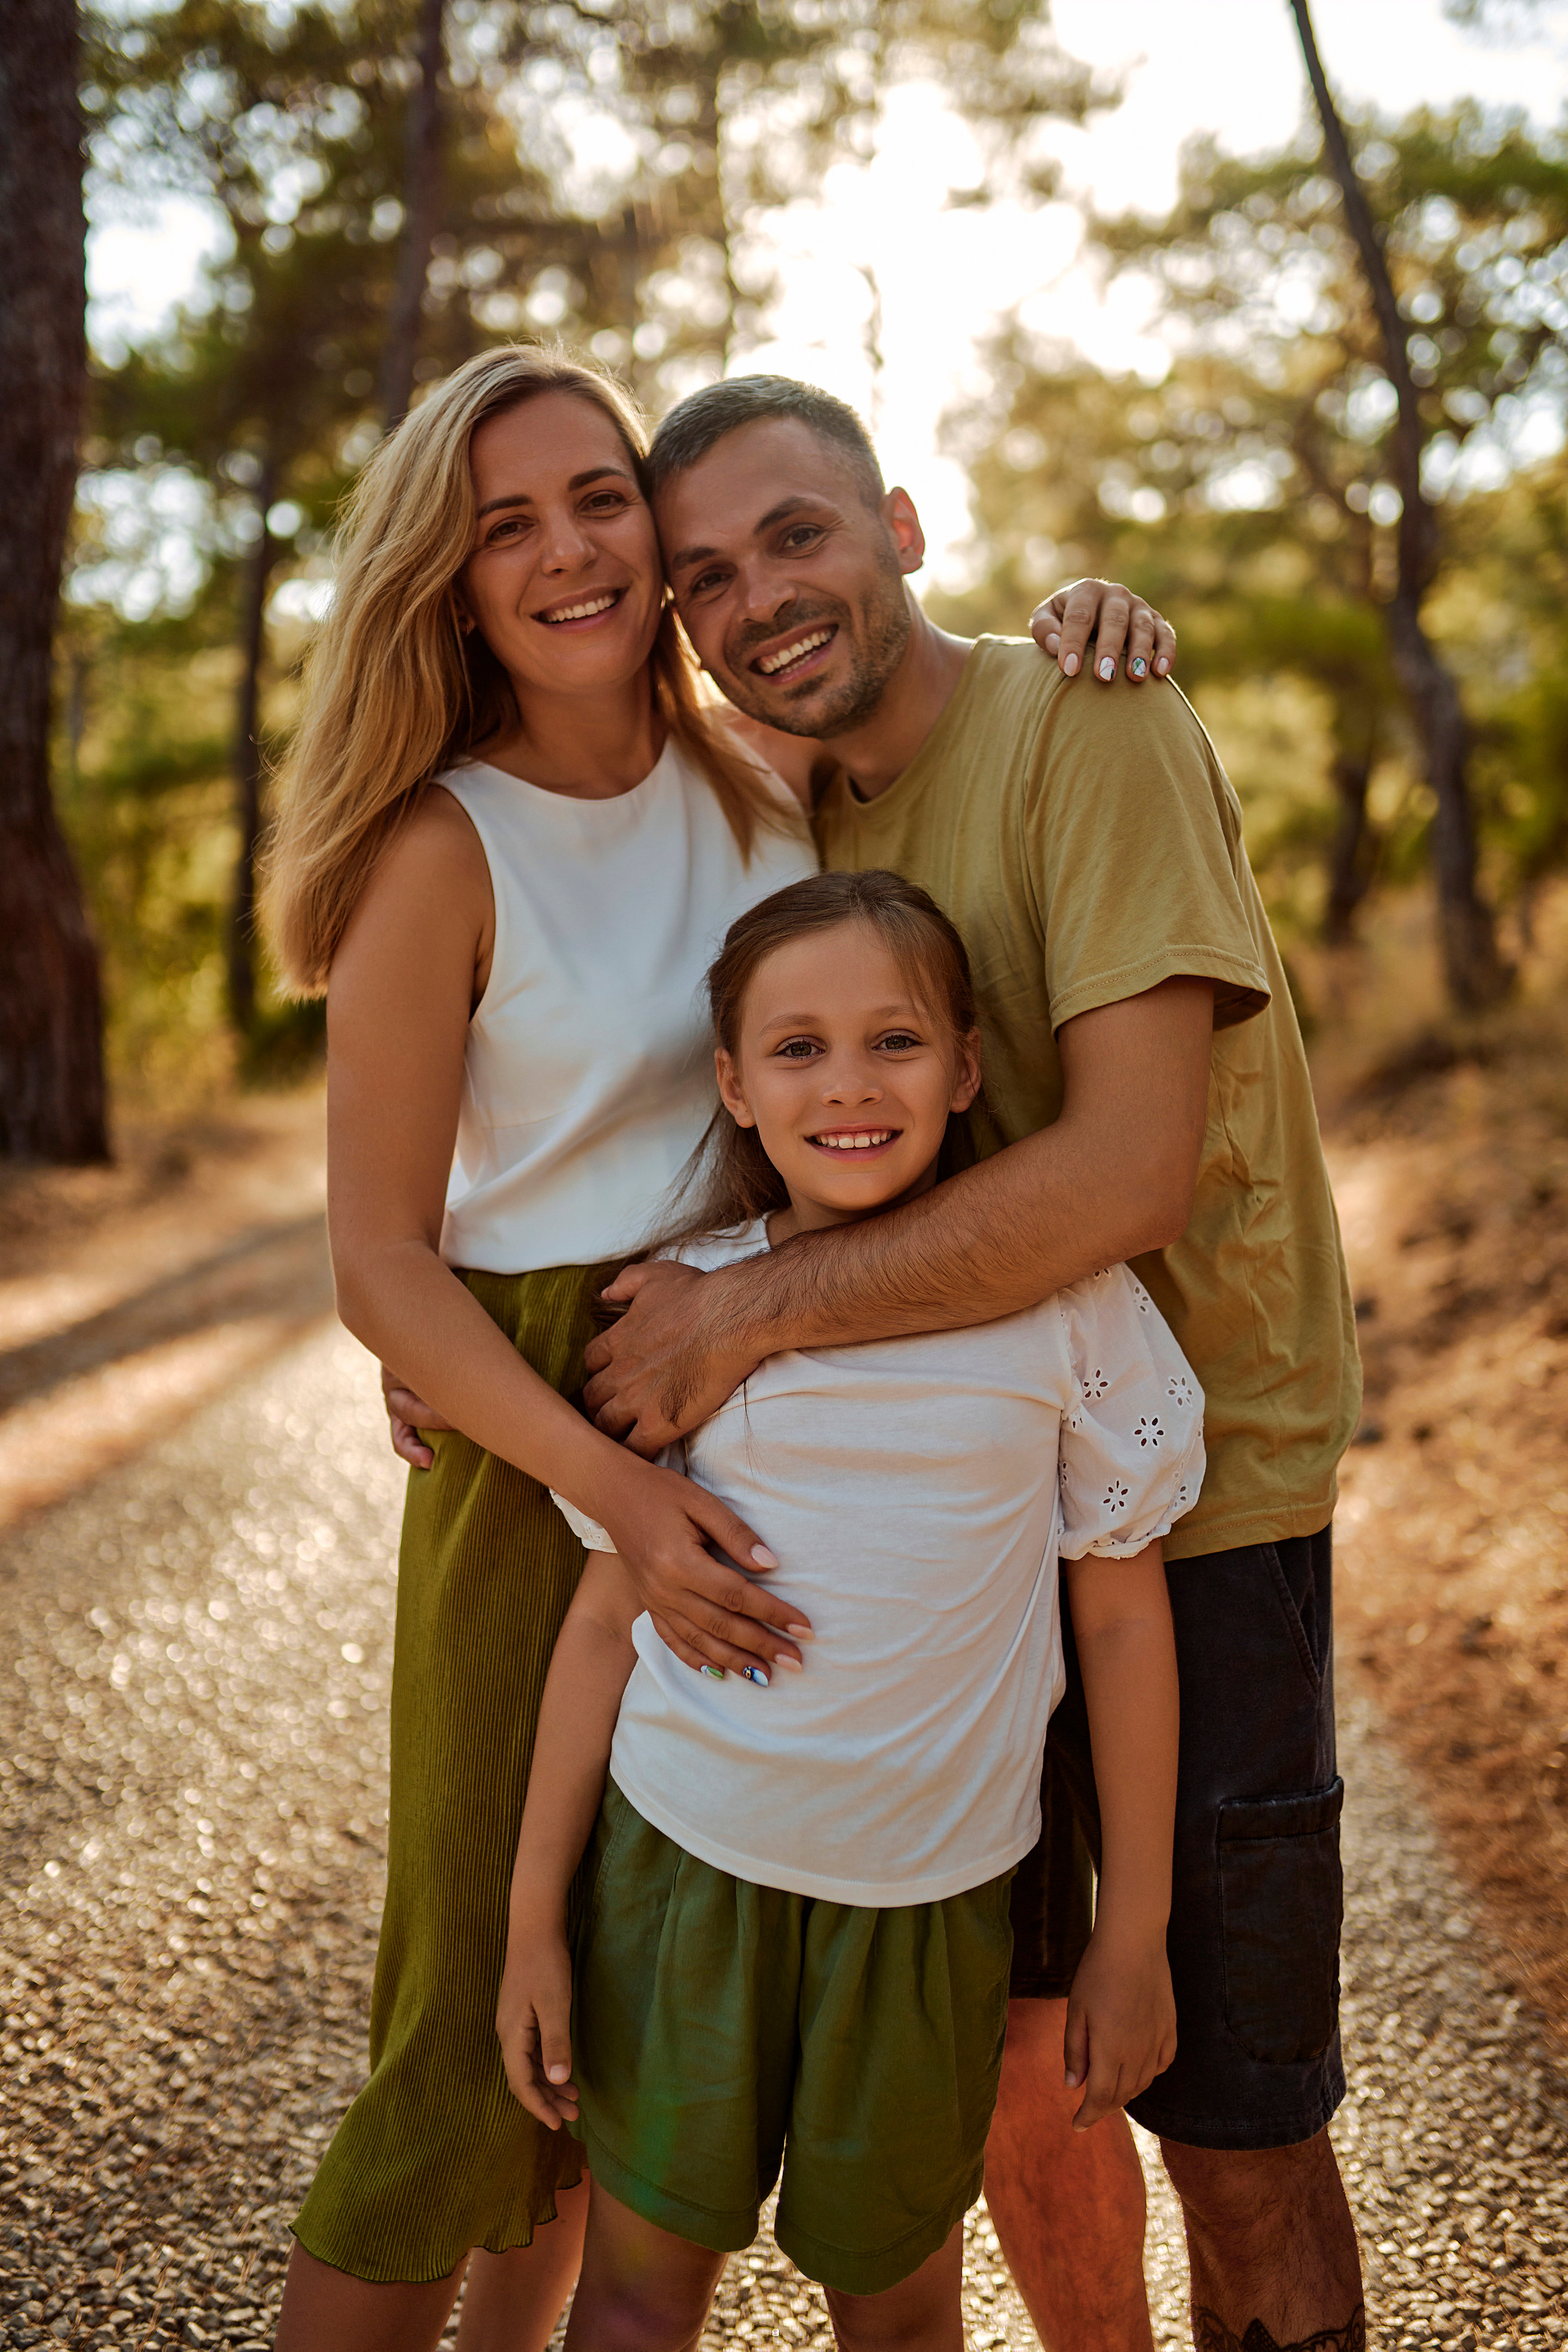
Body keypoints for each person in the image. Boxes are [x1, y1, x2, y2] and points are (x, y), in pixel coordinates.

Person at [263, 339, 1166, 2352]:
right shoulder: (442, 848)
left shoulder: (760, 783)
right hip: (551, 1446)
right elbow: (378, 1262)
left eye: (603, 504)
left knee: (579, 2085)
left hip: (746, 1370)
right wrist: (608, 1482)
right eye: (509, 524)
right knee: (451, 2060)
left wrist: (1084, 618)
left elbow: (933, 753)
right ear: (451, 576)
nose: (573, 551)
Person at [576, 376, 1366, 2352]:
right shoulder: (796, 810)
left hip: (1195, 1514)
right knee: (1026, 2074)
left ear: (908, 525)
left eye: (799, 534)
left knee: (1234, 2119)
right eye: (707, 577)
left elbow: (1131, 1167)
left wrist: (738, 1317)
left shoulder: (1082, 719)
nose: (760, 595)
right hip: (951, 1533)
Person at [496, 869, 1203, 2352]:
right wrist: (528, 1923)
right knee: (633, 2298)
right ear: (734, 1088)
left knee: (894, 2308)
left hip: (932, 1904)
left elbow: (1123, 1625)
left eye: (893, 1042)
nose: (848, 1084)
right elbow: (598, 1627)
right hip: (683, 1875)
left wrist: (1126, 1930)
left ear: (966, 1068)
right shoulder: (683, 1307)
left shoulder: (1069, 1305)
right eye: (796, 1048)